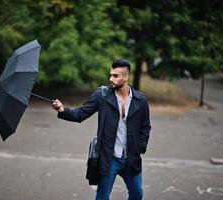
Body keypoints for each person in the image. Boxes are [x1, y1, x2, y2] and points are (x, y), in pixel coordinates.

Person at [52, 59, 151, 200]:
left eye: (115, 76)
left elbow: (145, 126)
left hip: (131, 158)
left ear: (126, 77)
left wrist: (140, 147)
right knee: (102, 197)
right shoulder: (102, 96)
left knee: (137, 194)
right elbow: (80, 114)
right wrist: (62, 110)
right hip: (109, 158)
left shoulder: (140, 101)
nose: (111, 79)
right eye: (110, 75)